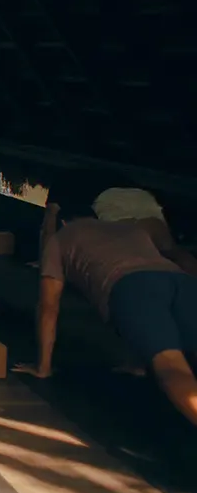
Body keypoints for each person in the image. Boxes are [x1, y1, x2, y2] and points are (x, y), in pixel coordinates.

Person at [15, 202, 197, 427]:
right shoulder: (130, 230)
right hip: (182, 282)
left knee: (171, 365)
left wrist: (42, 368)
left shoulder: (61, 238)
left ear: (64, 221)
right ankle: (138, 364)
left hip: (131, 285)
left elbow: (48, 308)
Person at [41, 175, 197, 275]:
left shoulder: (59, 187)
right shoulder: (82, 179)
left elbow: (49, 225)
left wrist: (47, 261)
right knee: (169, 249)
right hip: (142, 196)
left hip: (111, 200)